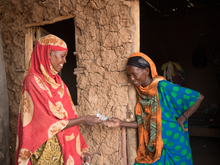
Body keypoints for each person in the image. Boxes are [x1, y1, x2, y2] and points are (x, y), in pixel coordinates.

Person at [103, 52, 204, 165]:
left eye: (134, 74)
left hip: (175, 143)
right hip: (155, 147)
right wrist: (120, 123)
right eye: (129, 75)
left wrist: (182, 119)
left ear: (146, 71)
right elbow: (144, 122)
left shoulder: (163, 87)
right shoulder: (142, 92)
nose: (131, 79)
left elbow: (198, 97)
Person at [15, 34, 101, 165]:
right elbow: (49, 122)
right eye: (62, 56)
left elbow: (69, 115)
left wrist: (82, 148)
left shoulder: (58, 82)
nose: (65, 61)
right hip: (45, 153)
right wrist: (83, 119)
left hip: (66, 148)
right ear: (49, 54)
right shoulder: (32, 81)